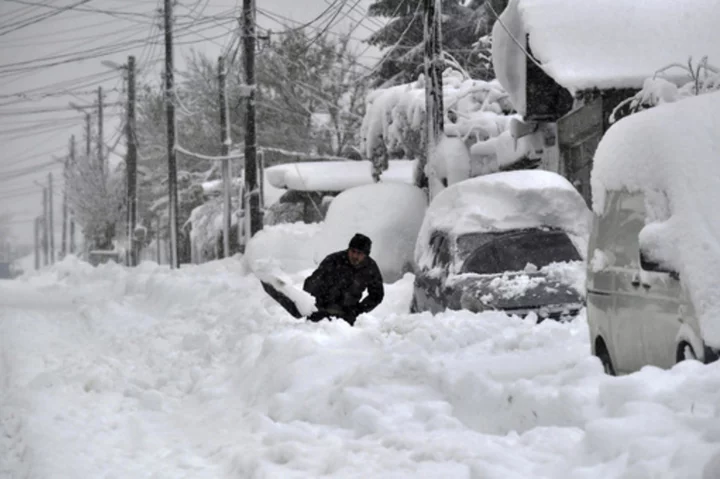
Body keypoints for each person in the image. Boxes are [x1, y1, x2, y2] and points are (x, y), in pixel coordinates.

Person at [303, 233, 384, 325]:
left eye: (359, 253)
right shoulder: (333, 260)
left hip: (347, 316)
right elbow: (311, 283)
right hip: (321, 312)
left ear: (366, 255)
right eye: (353, 251)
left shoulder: (370, 268)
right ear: (348, 249)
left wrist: (358, 310)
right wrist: (311, 304)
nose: (355, 256)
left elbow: (377, 295)